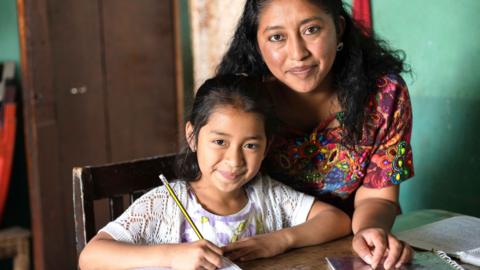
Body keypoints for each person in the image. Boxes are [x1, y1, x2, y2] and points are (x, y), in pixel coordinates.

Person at [78, 75, 351, 270]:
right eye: (220, 142)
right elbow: (91, 257)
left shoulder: (267, 195)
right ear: (193, 137)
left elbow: (337, 220)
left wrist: (280, 240)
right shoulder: (167, 204)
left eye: (251, 145)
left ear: (267, 146)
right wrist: (173, 257)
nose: (234, 160)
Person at [217, 0, 414, 269]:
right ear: (256, 42)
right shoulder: (238, 102)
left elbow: (377, 196)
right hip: (261, 252)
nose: (298, 53)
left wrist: (370, 231)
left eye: (311, 30)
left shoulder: (384, 95)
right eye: (277, 37)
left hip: (349, 250)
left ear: (338, 28)